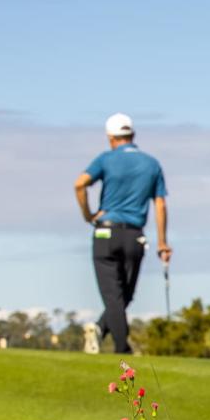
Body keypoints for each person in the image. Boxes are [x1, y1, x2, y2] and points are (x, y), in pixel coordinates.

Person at [73, 113, 171, 355]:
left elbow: (80, 184)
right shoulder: (152, 164)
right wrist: (162, 242)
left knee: (116, 297)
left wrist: (88, 215)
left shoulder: (106, 159)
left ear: (111, 138)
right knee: (123, 295)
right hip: (135, 237)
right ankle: (112, 340)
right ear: (132, 135)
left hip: (105, 233)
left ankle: (118, 347)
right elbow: (160, 204)